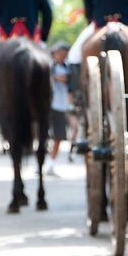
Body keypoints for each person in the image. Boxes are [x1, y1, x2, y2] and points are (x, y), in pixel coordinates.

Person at [44, 41, 70, 176]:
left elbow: (69, 80)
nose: (63, 56)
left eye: (65, 54)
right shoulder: (48, 66)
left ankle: (50, 164)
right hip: (48, 106)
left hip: (61, 106)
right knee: (45, 136)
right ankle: (43, 163)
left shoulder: (68, 67)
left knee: (58, 137)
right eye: (60, 53)